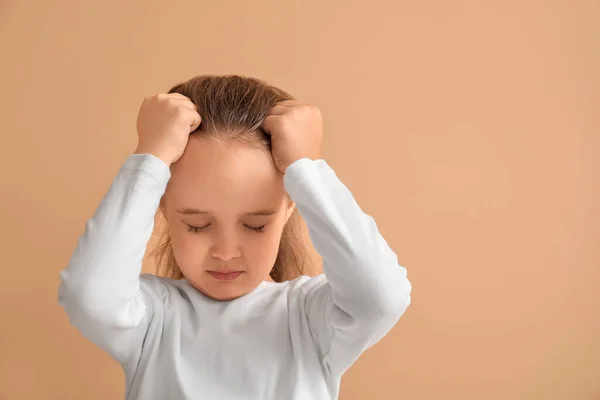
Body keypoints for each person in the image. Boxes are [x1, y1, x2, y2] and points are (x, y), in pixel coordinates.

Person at [58, 75, 412, 400]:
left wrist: (307, 168)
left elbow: (381, 296)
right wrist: (150, 159)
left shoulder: (310, 321)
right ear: (162, 207)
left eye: (256, 225)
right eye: (197, 225)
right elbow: (89, 296)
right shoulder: (153, 320)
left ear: (290, 207)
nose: (226, 253)